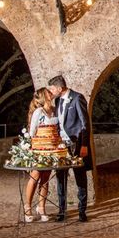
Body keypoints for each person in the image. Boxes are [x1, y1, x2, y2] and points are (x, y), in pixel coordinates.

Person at [47, 75, 92, 223]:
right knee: (61, 178)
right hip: (62, 145)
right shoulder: (58, 100)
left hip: (77, 144)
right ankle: (62, 211)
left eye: (52, 89)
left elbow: (85, 124)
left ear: (60, 88)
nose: (51, 92)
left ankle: (82, 211)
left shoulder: (77, 98)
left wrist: (84, 145)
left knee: (80, 177)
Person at [24, 88, 56, 223]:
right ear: (44, 96)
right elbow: (32, 132)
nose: (51, 93)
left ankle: (41, 207)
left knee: (46, 177)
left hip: (51, 148)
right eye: (49, 92)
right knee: (35, 176)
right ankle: (27, 207)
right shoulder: (38, 112)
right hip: (39, 148)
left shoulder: (54, 110)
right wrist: (34, 149)